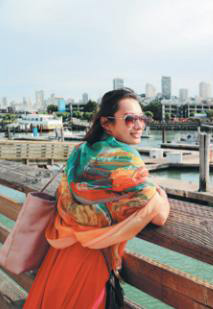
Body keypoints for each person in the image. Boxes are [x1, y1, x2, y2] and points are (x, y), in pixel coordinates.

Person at [24, 88, 170, 308]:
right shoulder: (125, 158)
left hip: (59, 255)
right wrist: (163, 198)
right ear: (107, 123)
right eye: (130, 119)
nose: (139, 125)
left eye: (143, 118)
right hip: (92, 263)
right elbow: (158, 213)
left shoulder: (80, 152)